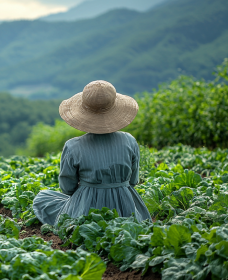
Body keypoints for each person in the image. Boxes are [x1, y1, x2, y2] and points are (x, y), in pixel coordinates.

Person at [32, 80, 151, 226]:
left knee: (44, 198)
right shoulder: (130, 141)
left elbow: (67, 188)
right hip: (126, 209)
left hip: (87, 212)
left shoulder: (72, 146)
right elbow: (133, 181)